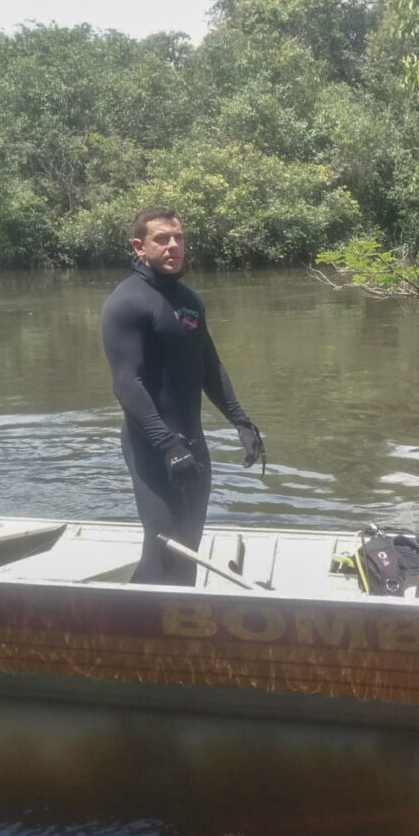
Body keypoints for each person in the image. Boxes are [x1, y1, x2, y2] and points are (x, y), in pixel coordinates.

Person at [100, 207, 265, 585]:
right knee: (165, 544)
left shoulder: (189, 300)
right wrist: (168, 446)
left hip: (192, 442)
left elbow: (208, 365)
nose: (174, 245)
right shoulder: (127, 302)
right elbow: (126, 382)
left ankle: (179, 627)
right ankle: (139, 629)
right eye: (162, 238)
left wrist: (241, 422)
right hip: (152, 446)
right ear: (139, 246)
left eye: (179, 237)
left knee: (188, 545)